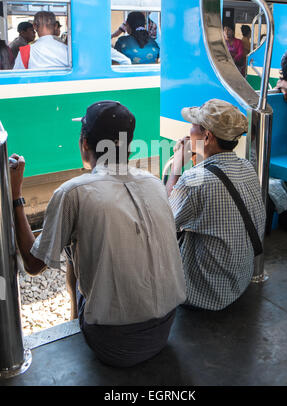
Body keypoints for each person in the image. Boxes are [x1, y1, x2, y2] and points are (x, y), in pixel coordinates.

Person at [9, 100, 186, 368]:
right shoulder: (153, 183)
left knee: (70, 246)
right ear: (129, 145)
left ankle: (74, 319)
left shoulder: (73, 192)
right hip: (164, 330)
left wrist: (15, 194)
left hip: (113, 345)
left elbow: (33, 265)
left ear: (84, 144)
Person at [166, 99, 266, 311]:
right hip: (237, 284)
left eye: (192, 124)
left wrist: (176, 166)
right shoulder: (247, 167)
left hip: (204, 294)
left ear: (207, 136)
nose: (188, 130)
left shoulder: (194, 180)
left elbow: (163, 221)